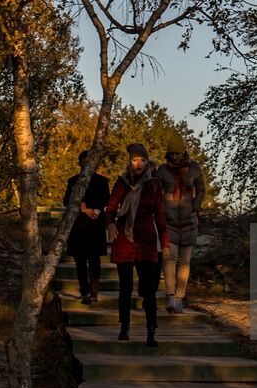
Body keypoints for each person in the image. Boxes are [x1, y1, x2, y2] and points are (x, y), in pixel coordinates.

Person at [105, 142, 169, 346]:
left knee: (149, 290)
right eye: (135, 160)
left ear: (147, 160)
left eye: (142, 160)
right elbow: (110, 209)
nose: (139, 164)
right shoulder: (122, 183)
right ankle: (124, 327)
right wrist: (110, 225)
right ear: (130, 162)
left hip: (147, 241)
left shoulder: (154, 184)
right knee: (125, 288)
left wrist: (165, 243)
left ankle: (152, 332)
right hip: (124, 240)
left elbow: (160, 216)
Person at [155, 135, 204, 314]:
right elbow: (155, 191)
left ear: (183, 152)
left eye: (178, 153)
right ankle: (170, 297)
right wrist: (159, 209)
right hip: (169, 221)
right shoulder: (162, 170)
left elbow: (201, 190)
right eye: (172, 153)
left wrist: (196, 206)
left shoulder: (194, 168)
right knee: (169, 258)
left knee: (185, 261)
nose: (174, 157)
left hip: (188, 220)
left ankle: (180, 297)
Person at [62, 150, 111, 304]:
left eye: (90, 162)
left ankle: (94, 292)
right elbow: (66, 201)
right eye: (84, 162)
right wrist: (82, 208)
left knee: (95, 260)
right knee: (80, 260)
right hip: (78, 226)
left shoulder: (103, 181)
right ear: (79, 164)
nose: (87, 165)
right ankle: (84, 291)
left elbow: (106, 199)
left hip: (96, 226)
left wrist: (95, 210)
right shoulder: (73, 181)